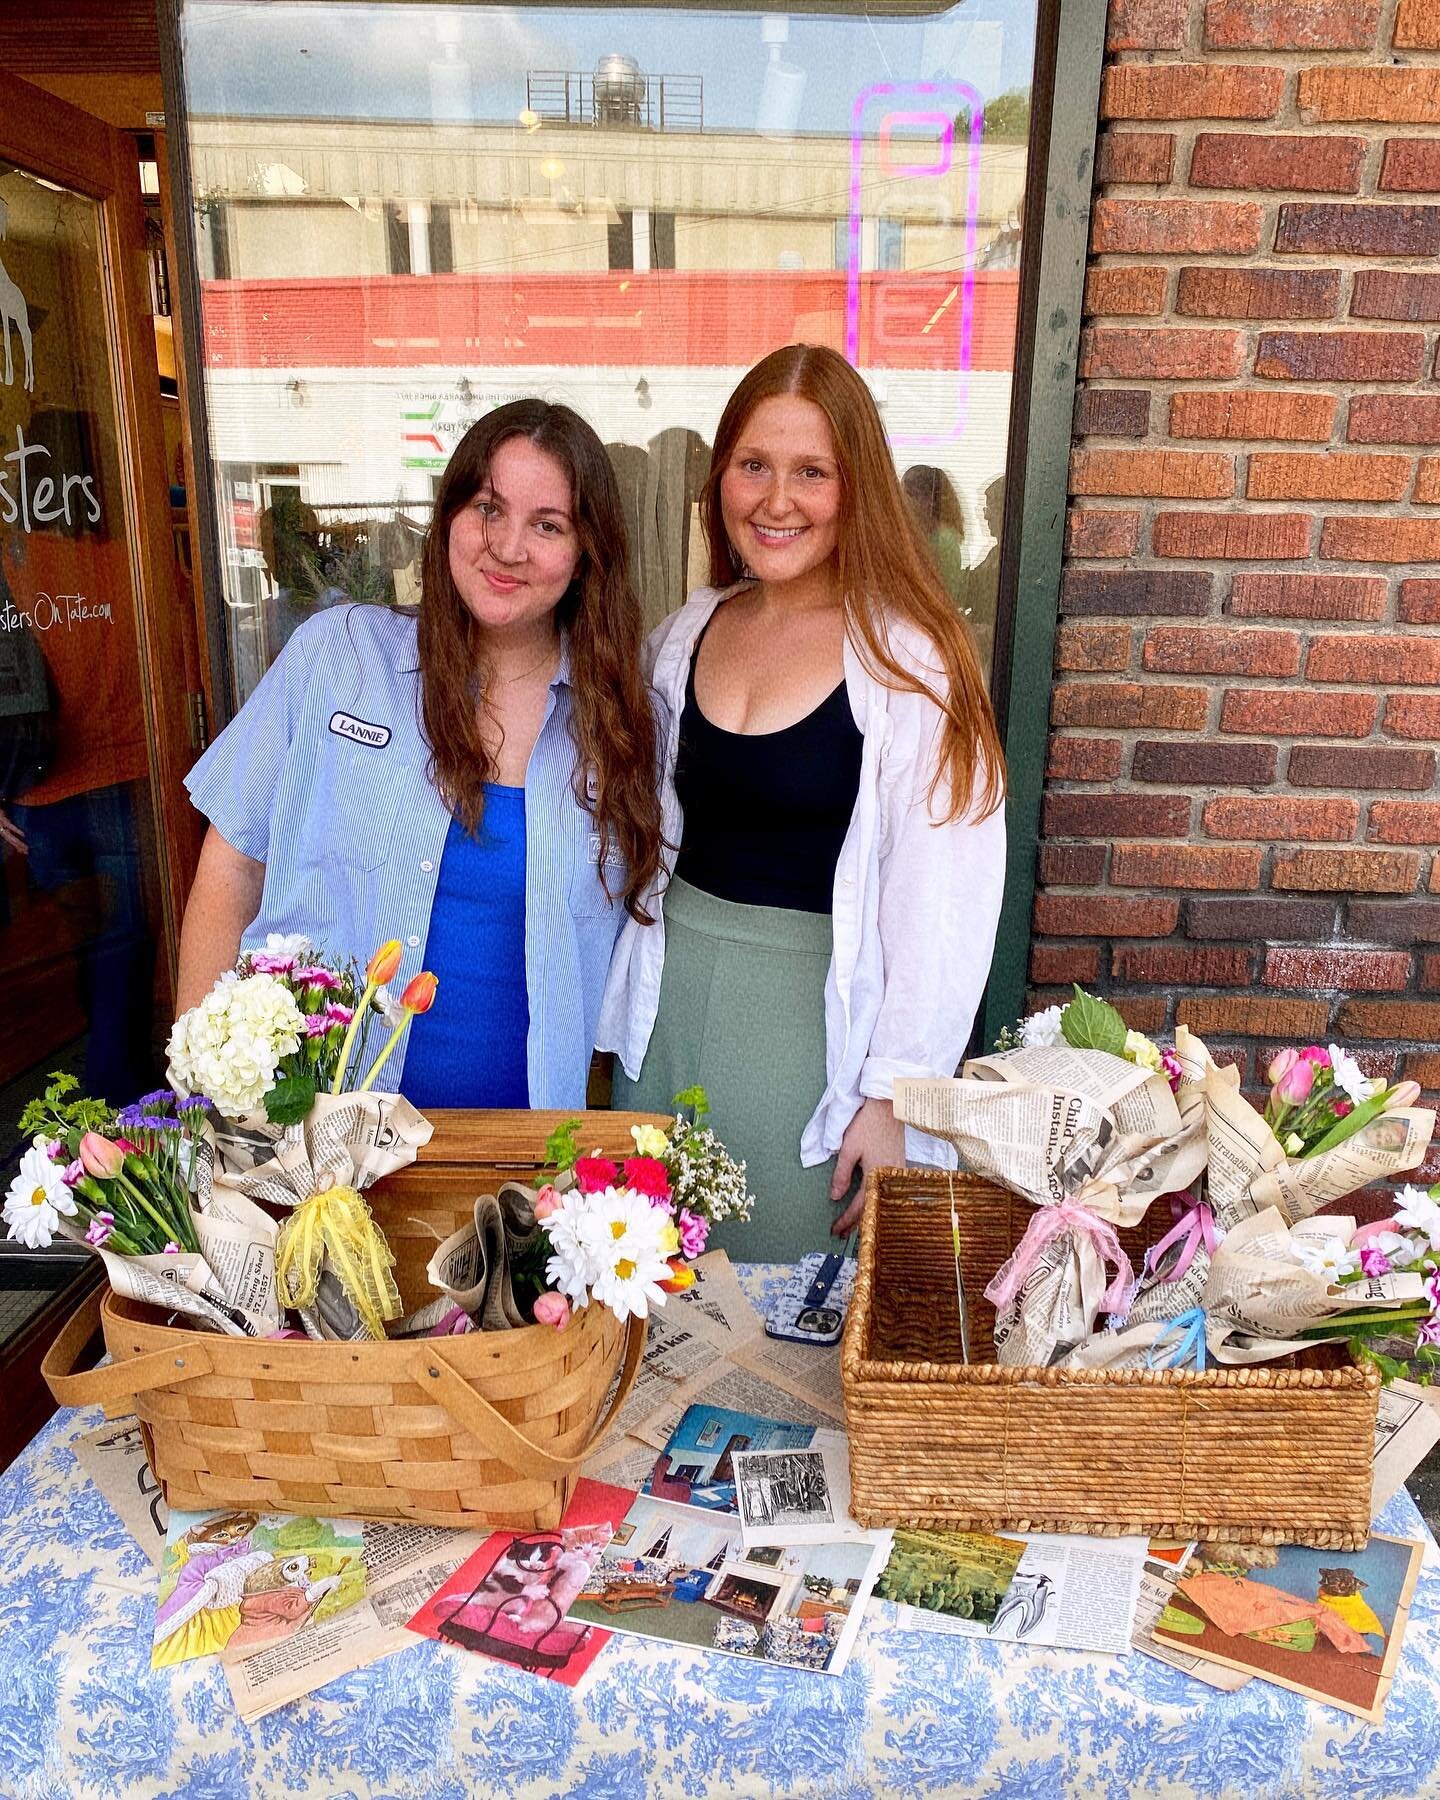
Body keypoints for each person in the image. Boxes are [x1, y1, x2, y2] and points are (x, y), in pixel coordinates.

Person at [601, 343, 1006, 1262]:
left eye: (811, 472)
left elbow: (946, 906)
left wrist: (897, 1095)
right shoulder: (685, 633)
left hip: (811, 1031)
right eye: (753, 465)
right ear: (720, 478)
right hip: (665, 1008)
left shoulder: (914, 665)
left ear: (855, 487)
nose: (775, 500)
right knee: (644, 1283)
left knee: (783, 1301)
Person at [177, 400, 663, 1109]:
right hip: (313, 1127)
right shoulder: (337, 657)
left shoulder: (622, 727)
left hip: (520, 1154)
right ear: (449, 518)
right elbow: (231, 865)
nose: (508, 547)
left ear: (589, 554)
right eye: (488, 509)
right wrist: (202, 1080)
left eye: (548, 525)